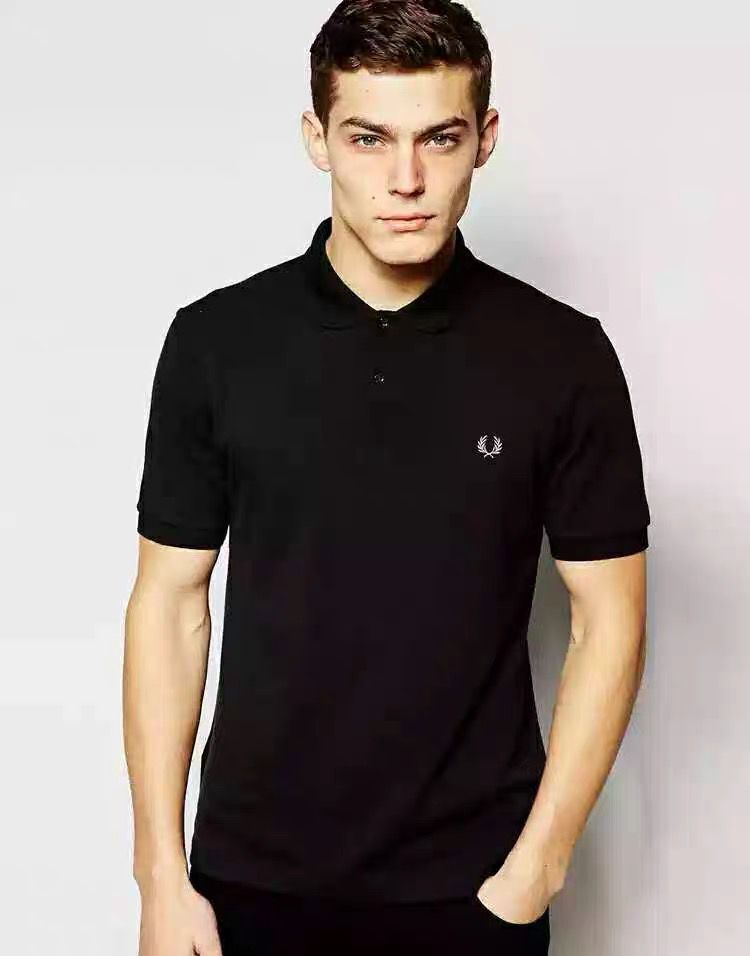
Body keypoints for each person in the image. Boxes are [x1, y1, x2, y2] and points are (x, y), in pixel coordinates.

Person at [124, 1, 651, 953]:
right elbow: (170, 604)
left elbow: (607, 617)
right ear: (316, 138)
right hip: (247, 883)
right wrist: (160, 875)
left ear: (484, 138)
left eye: (438, 138)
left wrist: (537, 868)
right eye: (368, 138)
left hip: (474, 888)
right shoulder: (217, 343)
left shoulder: (561, 357)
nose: (406, 179)